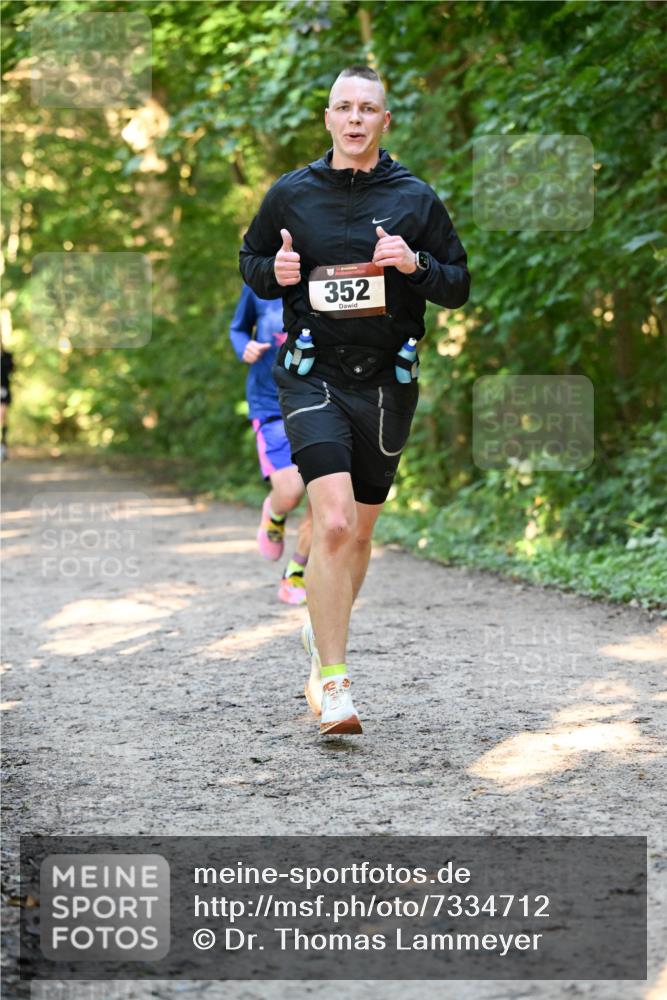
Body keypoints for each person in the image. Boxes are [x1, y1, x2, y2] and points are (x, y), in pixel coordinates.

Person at [239, 65, 470, 735]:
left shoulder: (415, 199)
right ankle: (334, 684)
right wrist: (272, 272)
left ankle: (321, 641)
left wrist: (413, 266)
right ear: (328, 117)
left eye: (367, 108)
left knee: (360, 532)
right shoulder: (291, 194)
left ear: (384, 121)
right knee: (333, 520)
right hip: (309, 373)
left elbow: (456, 284)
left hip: (386, 381)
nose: (354, 118)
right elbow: (252, 259)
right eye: (343, 106)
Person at [229, 284, 312, 605]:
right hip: (270, 404)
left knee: (325, 495)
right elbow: (238, 328)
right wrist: (244, 347)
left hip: (323, 402)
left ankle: (296, 573)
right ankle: (275, 513)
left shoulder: (325, 276)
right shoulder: (258, 286)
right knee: (291, 491)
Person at [1, 344, 14, 463]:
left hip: (3, 391)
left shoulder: (7, 356)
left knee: (2, 418)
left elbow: (12, 371)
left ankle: (3, 447)